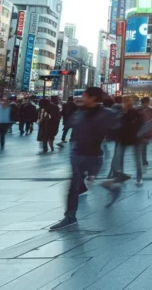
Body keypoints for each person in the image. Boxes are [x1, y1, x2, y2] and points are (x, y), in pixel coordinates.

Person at [48, 87, 119, 231]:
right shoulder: (81, 112)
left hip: (94, 155)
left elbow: (116, 129)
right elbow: (73, 126)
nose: (82, 97)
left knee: (91, 181)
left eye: (85, 95)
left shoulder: (108, 114)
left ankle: (112, 188)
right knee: (74, 186)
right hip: (77, 153)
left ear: (92, 98)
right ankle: (70, 217)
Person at [111, 96, 145, 184]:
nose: (126, 104)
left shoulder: (133, 113)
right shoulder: (122, 113)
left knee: (135, 159)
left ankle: (139, 177)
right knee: (122, 158)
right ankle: (126, 176)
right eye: (125, 102)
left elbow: (140, 124)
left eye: (128, 102)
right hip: (125, 138)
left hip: (132, 138)